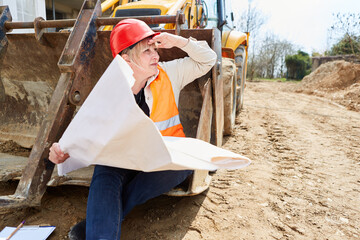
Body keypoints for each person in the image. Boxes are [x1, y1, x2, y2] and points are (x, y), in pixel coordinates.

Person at [49, 18, 217, 239]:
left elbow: (208, 60)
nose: (156, 55)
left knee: (186, 163)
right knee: (105, 174)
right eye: (147, 51)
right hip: (122, 158)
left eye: (154, 48)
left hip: (162, 157)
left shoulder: (169, 73)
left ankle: (98, 220)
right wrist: (62, 151)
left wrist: (177, 41)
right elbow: (84, 132)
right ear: (125, 58)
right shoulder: (109, 90)